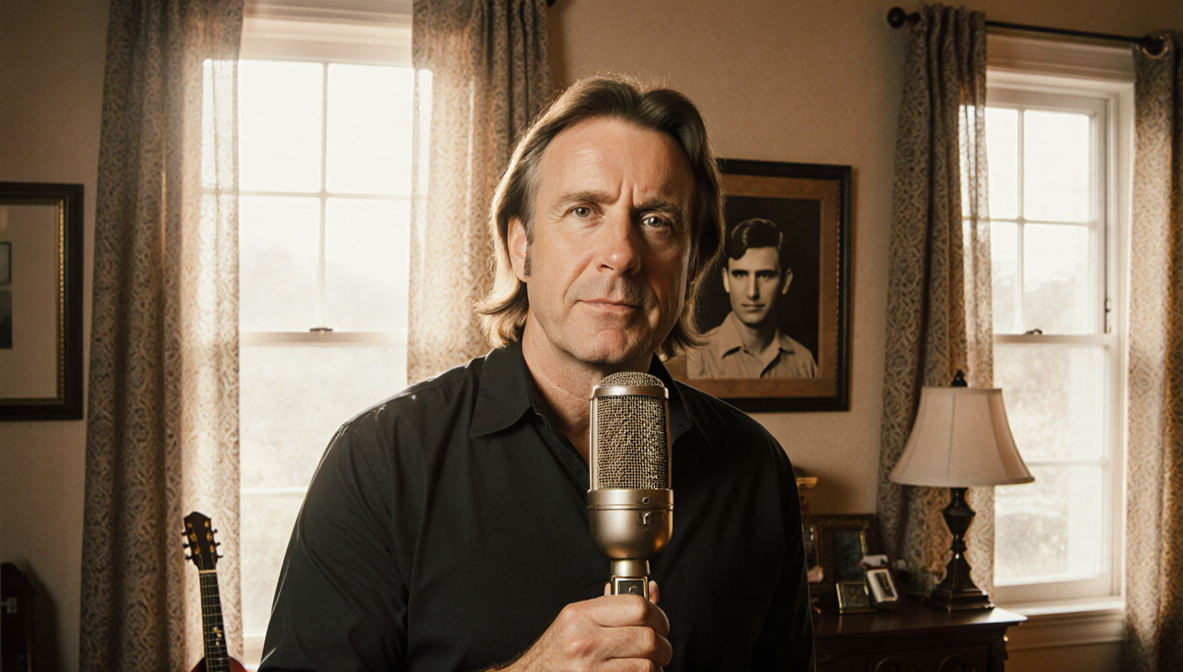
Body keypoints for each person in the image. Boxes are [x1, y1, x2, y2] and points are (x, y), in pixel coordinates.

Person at [260, 77, 815, 672]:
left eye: (656, 220)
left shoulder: (756, 469)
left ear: (694, 264)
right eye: (584, 211)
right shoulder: (381, 461)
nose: (622, 254)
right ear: (520, 246)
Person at [687, 218, 818, 379]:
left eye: (764, 276)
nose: (752, 293)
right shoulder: (697, 359)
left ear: (786, 281)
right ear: (726, 280)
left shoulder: (804, 363)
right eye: (740, 275)